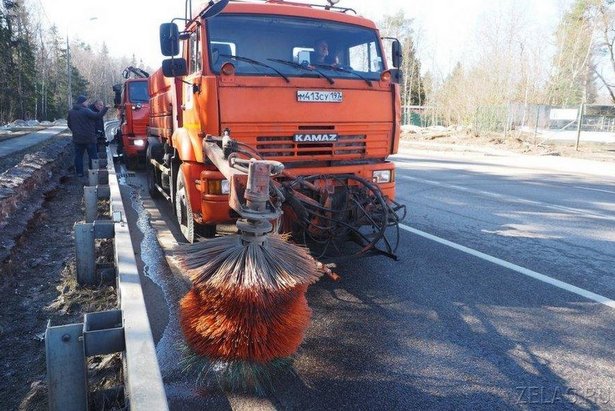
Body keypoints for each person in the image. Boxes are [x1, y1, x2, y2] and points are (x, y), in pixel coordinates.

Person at [67, 95, 108, 177]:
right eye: (86, 101)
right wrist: (105, 108)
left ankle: (79, 173)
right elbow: (97, 116)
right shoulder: (86, 110)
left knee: (78, 156)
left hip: (77, 139)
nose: (88, 103)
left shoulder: (71, 112)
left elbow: (69, 124)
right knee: (93, 156)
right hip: (89, 138)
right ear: (82, 102)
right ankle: (93, 172)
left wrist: (75, 132)